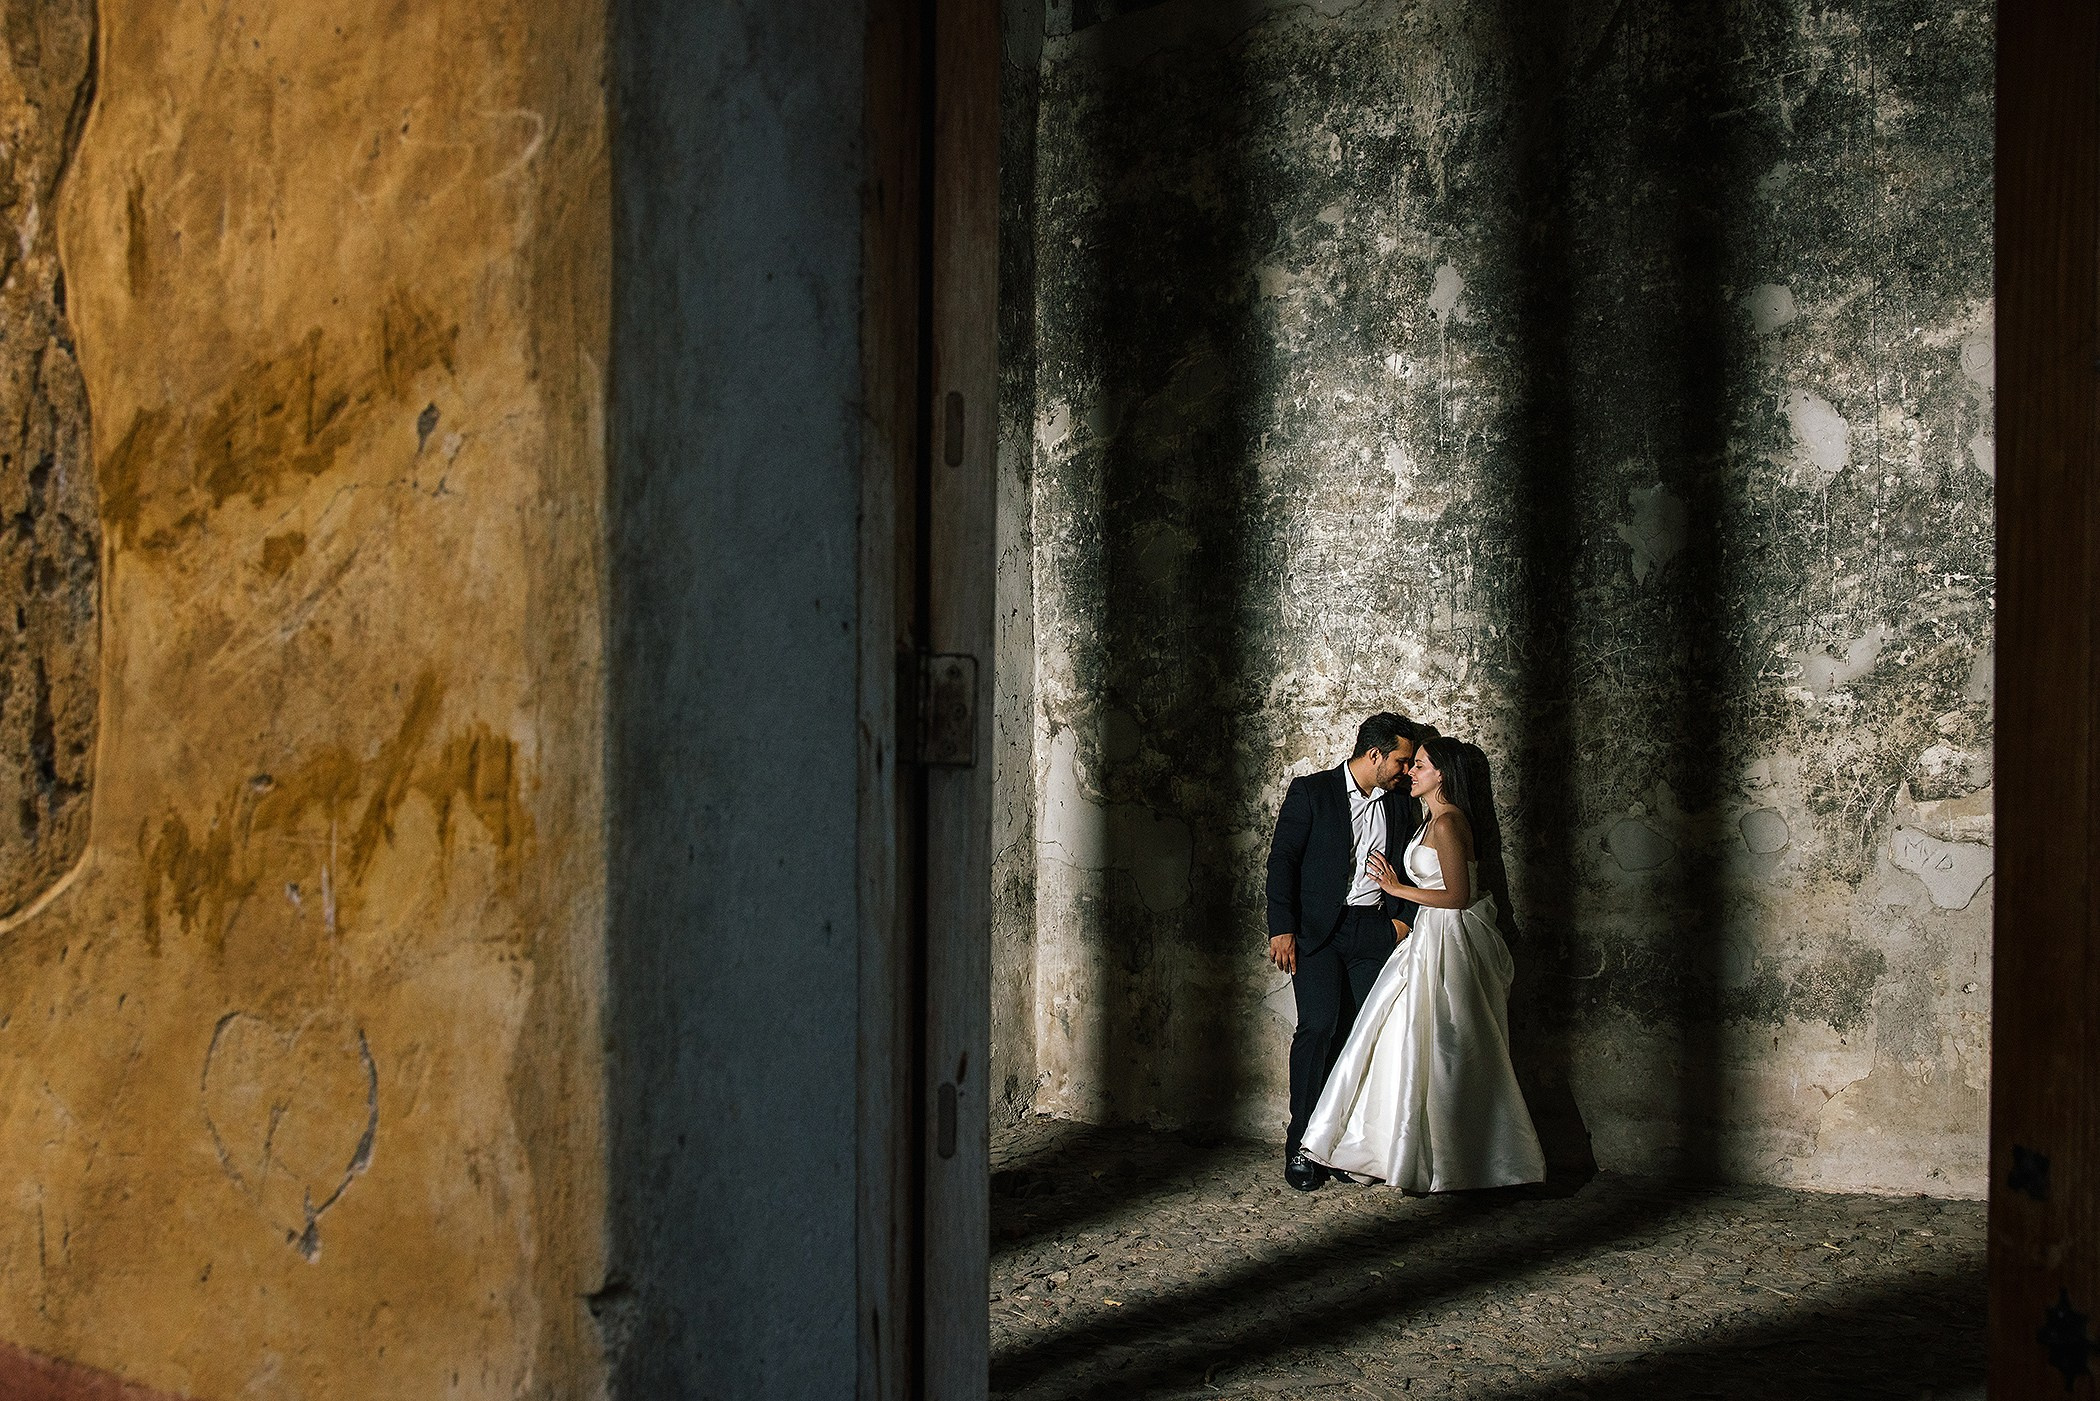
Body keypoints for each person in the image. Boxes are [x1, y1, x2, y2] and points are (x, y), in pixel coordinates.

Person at [1299, 735, 1547, 1192]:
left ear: (1443, 775)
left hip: (1446, 939)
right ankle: (1396, 1149)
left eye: (1421, 765)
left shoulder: (1449, 823)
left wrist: (1396, 892)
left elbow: (1457, 896)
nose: (1411, 772)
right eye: (1410, 764)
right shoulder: (1428, 819)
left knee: (1445, 1044)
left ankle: (1465, 1159)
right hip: (1427, 937)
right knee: (1405, 1040)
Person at [1264, 712, 1427, 1191]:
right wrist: (1282, 928)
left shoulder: (1400, 804)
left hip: (1371, 931)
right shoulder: (1311, 792)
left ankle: (1347, 1146)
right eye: (1400, 760)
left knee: (1363, 1037)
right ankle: (1303, 1147)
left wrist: (1399, 922)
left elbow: (1406, 863)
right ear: (1374, 755)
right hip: (1316, 934)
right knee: (1318, 1028)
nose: (1405, 770)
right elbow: (1283, 861)